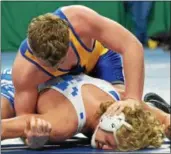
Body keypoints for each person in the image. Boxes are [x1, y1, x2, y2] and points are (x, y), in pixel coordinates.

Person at [12, 5, 144, 116]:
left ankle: (156, 110)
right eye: (49, 64)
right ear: (34, 54)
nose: (56, 67)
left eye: (60, 60)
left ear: (68, 38)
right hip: (61, 82)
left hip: (99, 60)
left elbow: (131, 45)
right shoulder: (24, 72)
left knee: (122, 111)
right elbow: (25, 121)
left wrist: (133, 98)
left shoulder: (79, 20)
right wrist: (35, 135)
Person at [1, 69, 170, 151]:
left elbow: (166, 120)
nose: (106, 150)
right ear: (111, 122)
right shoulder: (64, 122)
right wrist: (33, 137)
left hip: (65, 74)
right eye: (111, 144)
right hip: (19, 81)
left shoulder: (129, 106)